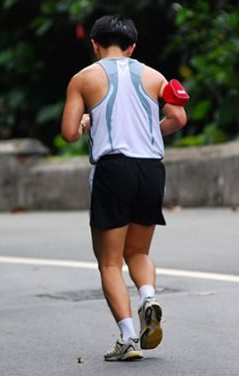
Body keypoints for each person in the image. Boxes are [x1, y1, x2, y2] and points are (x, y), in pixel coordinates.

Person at [61, 14, 187, 361]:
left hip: (114, 169)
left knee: (109, 262)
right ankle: (149, 297)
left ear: (95, 45)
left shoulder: (84, 78)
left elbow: (69, 132)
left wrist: (87, 121)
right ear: (132, 47)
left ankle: (129, 337)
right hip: (150, 169)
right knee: (139, 252)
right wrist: (147, 133)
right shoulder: (154, 76)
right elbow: (178, 118)